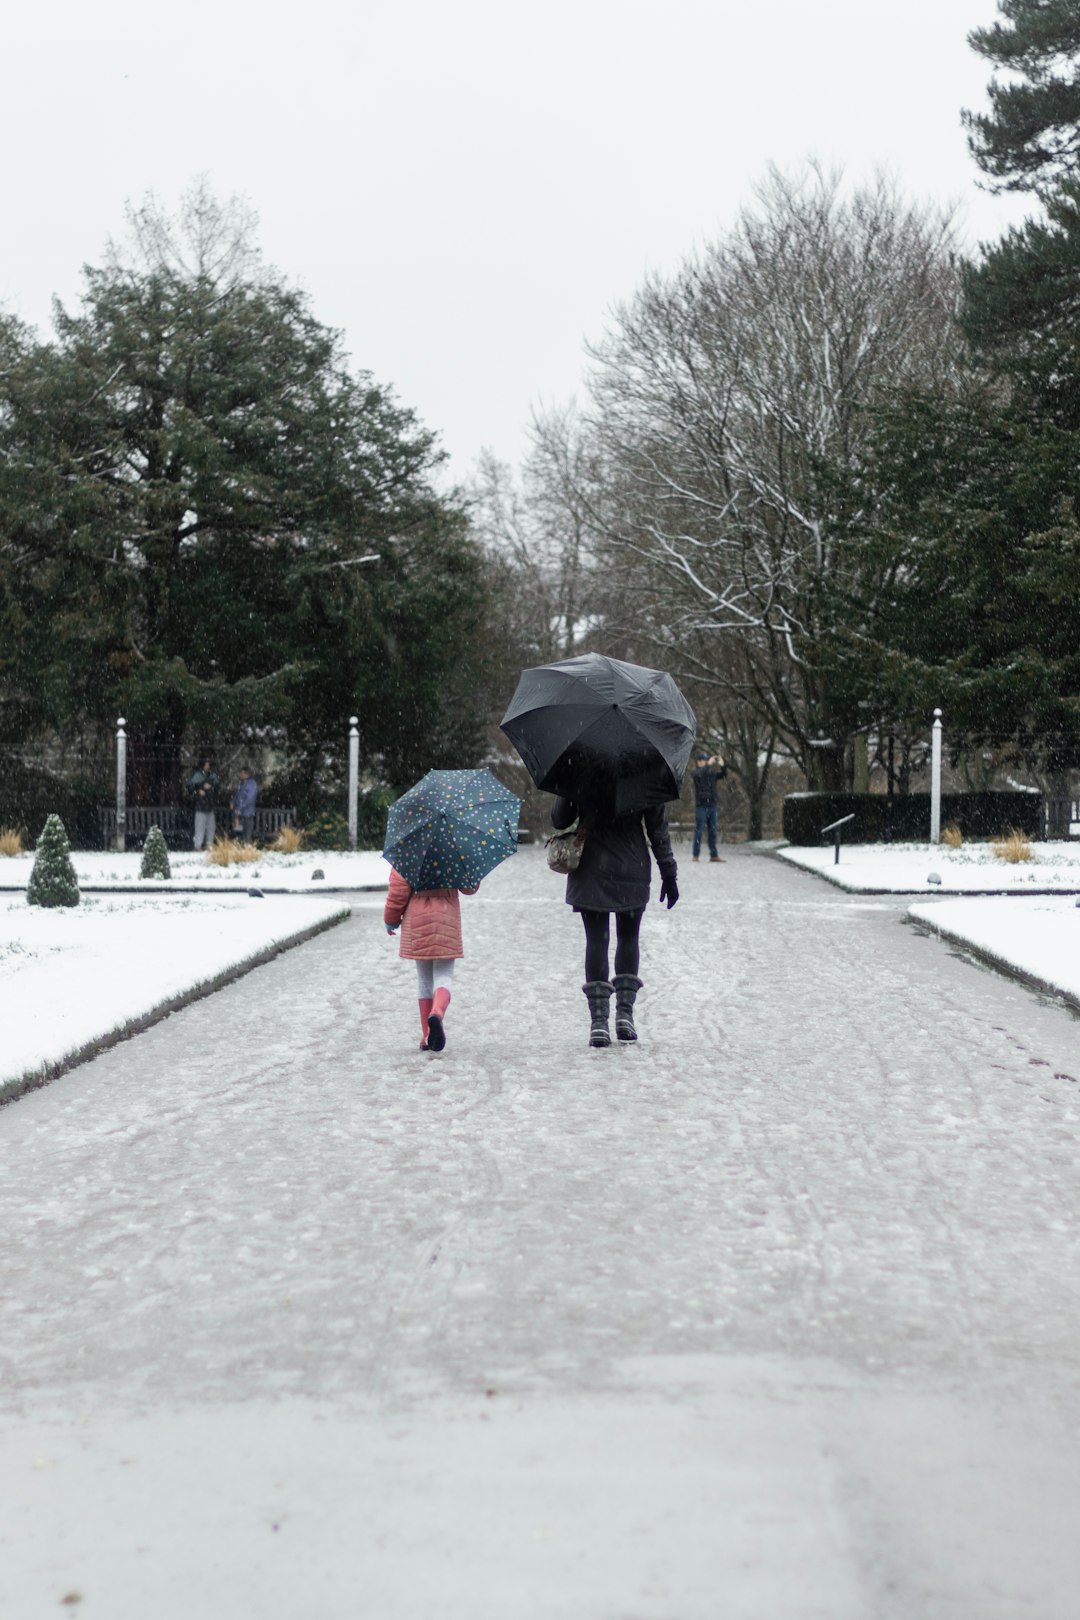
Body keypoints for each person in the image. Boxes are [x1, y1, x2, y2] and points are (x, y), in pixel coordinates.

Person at [551, 790, 678, 1048]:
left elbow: (559, 819)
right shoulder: (646, 771)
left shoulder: (581, 765)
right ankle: (625, 1015)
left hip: (591, 867)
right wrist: (669, 873)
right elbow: (657, 829)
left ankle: (598, 1022)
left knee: (596, 939)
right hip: (631, 867)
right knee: (628, 937)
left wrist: (568, 789)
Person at [383, 870, 478, 1053]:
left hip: (418, 920)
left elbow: (398, 892)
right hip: (446, 916)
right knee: (444, 975)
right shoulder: (453, 849)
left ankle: (427, 1035)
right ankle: (437, 1012)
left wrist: (390, 920)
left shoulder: (408, 852)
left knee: (424, 980)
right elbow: (469, 887)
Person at [691, 749, 727, 863]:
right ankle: (695, 855)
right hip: (701, 806)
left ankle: (714, 855)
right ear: (697, 762)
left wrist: (723, 765)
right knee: (699, 830)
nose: (702, 762)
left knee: (712, 831)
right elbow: (701, 774)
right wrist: (708, 764)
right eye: (700, 760)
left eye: (704, 760)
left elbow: (724, 775)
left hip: (712, 805)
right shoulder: (696, 773)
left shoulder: (711, 774)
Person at [186, 758, 219, 850]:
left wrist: (211, 787)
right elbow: (190, 788)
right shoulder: (197, 775)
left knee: (211, 828)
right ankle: (198, 846)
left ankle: (209, 845)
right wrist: (198, 791)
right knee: (199, 827)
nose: (208, 766)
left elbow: (217, 787)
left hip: (210, 805)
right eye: (206, 764)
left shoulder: (212, 775)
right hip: (200, 806)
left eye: (208, 765)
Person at [231, 766, 258, 843]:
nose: (240, 775)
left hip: (248, 812)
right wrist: (233, 802)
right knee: (240, 832)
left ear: (247, 774)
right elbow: (237, 795)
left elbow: (250, 798)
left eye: (242, 773)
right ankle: (242, 847)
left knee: (247, 832)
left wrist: (240, 807)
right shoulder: (242, 784)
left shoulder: (252, 784)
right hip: (240, 813)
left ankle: (247, 849)